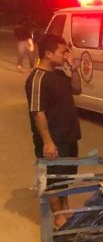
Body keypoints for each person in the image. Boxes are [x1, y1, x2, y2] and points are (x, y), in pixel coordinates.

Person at [25, 34, 82, 228]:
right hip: (53, 139)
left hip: (68, 136)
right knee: (54, 179)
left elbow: (77, 89)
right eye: (63, 52)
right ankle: (58, 216)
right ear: (48, 54)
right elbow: (37, 113)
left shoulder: (59, 75)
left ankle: (65, 210)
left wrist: (74, 69)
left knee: (65, 177)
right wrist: (48, 141)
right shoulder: (37, 78)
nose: (66, 55)